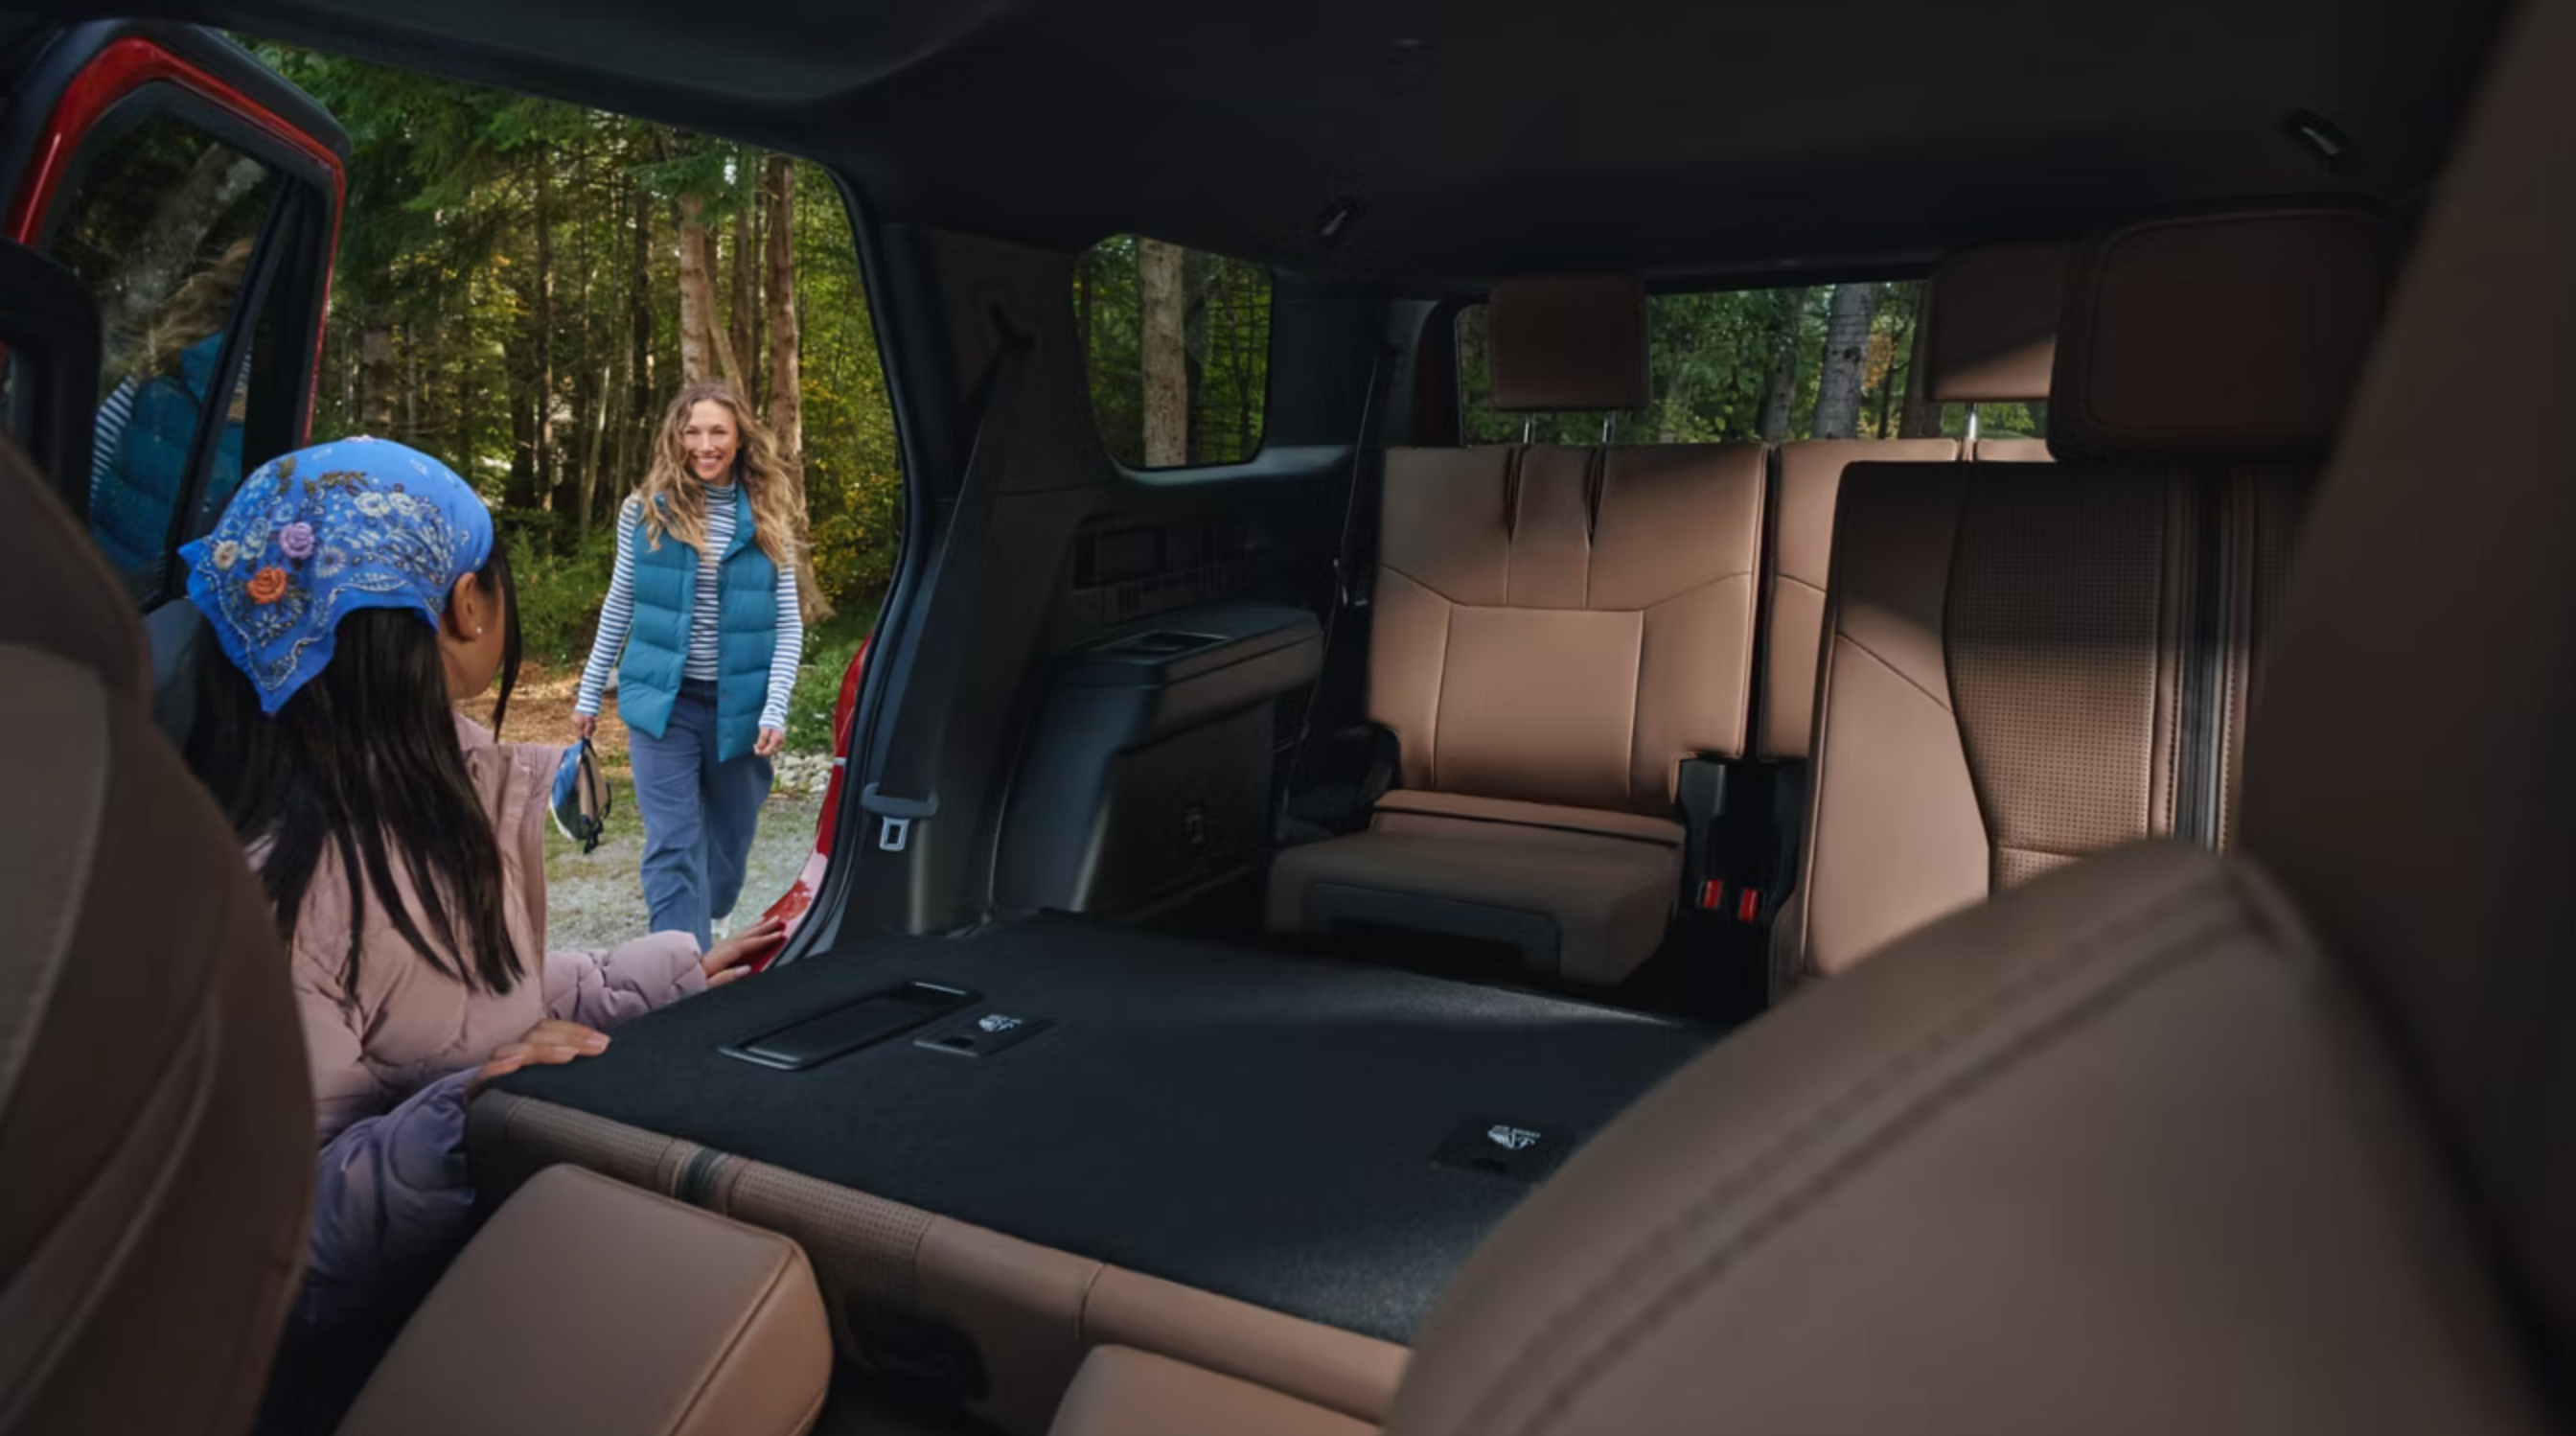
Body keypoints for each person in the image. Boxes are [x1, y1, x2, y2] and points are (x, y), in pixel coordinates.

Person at [176, 436, 782, 1429]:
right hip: (355, 1370)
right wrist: (470, 1116)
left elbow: (455, 1004)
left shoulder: (440, 797)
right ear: (467, 605)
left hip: (463, 1278)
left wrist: (659, 976)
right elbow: (275, 1244)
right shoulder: (272, 897)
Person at [574, 380, 807, 949]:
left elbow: (788, 624)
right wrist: (589, 691)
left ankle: (715, 915)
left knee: (729, 842)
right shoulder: (644, 511)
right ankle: (678, 963)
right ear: (676, 437)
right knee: (673, 841)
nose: (705, 445)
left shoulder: (769, 512)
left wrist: (775, 706)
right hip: (663, 703)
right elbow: (620, 602)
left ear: (740, 437)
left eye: (718, 432)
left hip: (739, 707)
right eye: (693, 431)